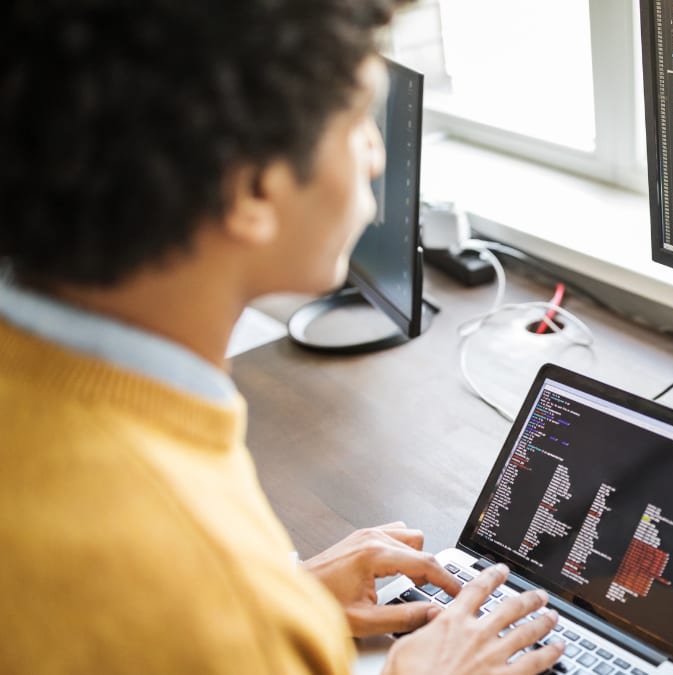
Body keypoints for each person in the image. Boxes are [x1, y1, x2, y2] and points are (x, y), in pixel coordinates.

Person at [0, 1, 564, 673]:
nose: (378, 156)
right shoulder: (207, 593)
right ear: (254, 190)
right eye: (358, 123)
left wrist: (285, 594)